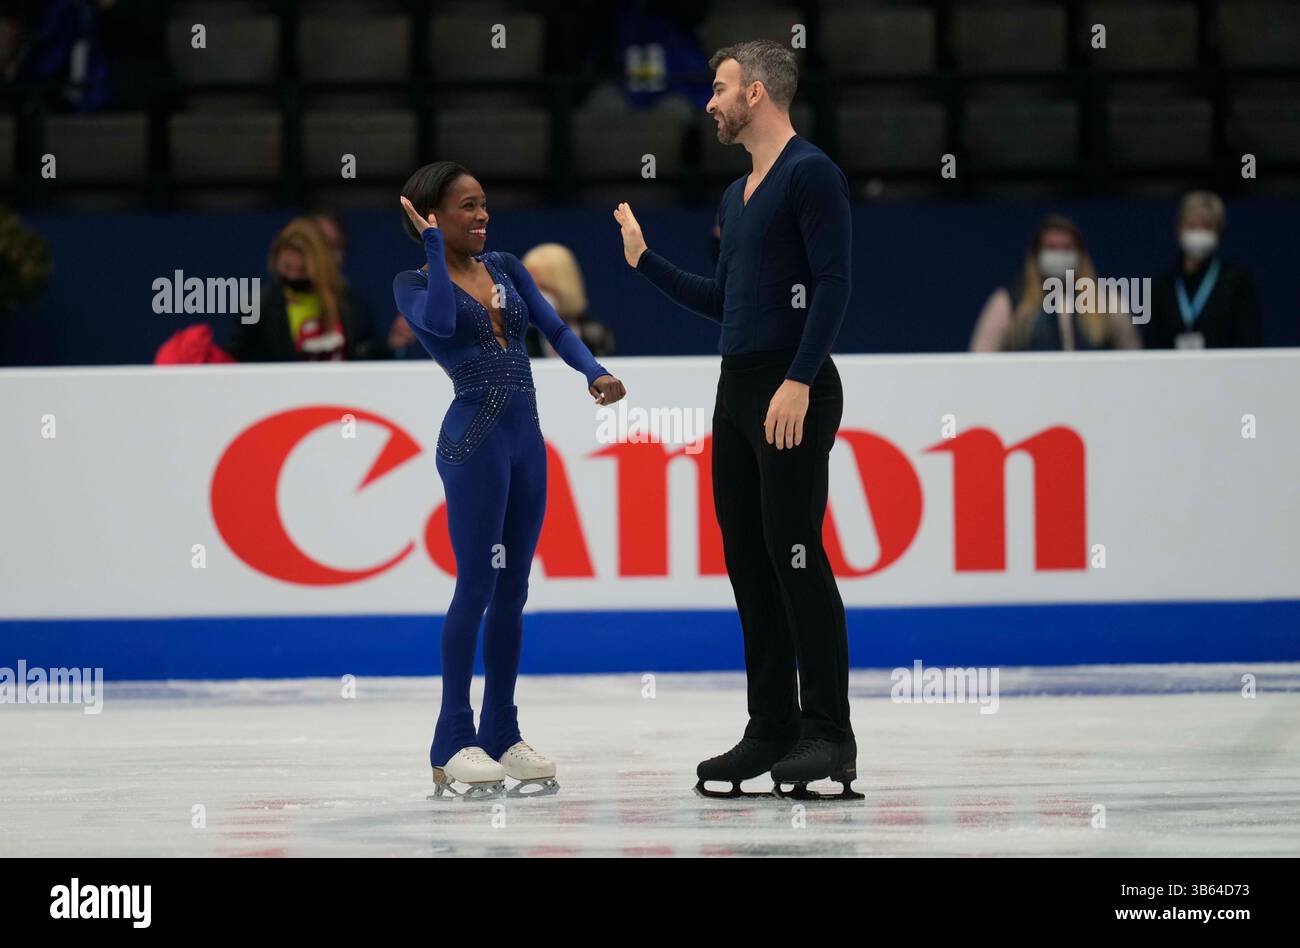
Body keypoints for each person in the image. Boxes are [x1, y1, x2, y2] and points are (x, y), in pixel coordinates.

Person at [614, 40, 859, 799]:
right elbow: (726, 301)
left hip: (794, 386)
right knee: (749, 564)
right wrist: (644, 261)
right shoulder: (736, 195)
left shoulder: (811, 173)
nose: (710, 102)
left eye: (720, 89)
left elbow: (833, 285)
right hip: (738, 389)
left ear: (756, 92)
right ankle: (772, 729)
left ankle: (829, 734)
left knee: (795, 557)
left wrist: (799, 377)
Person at [393, 162, 626, 798]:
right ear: (431, 217)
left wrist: (593, 371)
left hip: (527, 442)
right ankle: (450, 737)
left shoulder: (506, 267)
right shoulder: (411, 283)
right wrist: (436, 248)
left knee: (514, 588)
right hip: (472, 443)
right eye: (466, 207)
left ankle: (500, 727)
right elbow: (441, 321)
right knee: (476, 585)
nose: (482, 215)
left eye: (484, 204)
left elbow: (552, 327)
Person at [969, 215, 1141, 352]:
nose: (1059, 254)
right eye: (1051, 247)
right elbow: (980, 360)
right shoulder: (1009, 301)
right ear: (1036, 254)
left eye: (1066, 248)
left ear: (1080, 254)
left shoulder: (1108, 300)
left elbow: (1133, 359)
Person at [228, 217, 385, 362]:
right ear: (275, 261)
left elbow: (371, 356)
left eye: (302, 270)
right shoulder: (257, 305)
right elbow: (236, 360)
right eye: (287, 267)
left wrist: (392, 345)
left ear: (321, 266)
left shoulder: (349, 303)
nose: (293, 276)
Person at [1143, 191, 1262, 349]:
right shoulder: (1161, 287)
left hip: (1226, 371)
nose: (1198, 233)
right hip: (1172, 371)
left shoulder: (1236, 282)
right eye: (1192, 226)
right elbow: (1151, 347)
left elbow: (1250, 342)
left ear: (1219, 231)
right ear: (1179, 228)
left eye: (1206, 226)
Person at [521, 243, 616, 359]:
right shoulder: (514, 337)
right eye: (528, 287)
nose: (534, 296)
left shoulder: (595, 333)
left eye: (544, 287)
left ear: (564, 286)